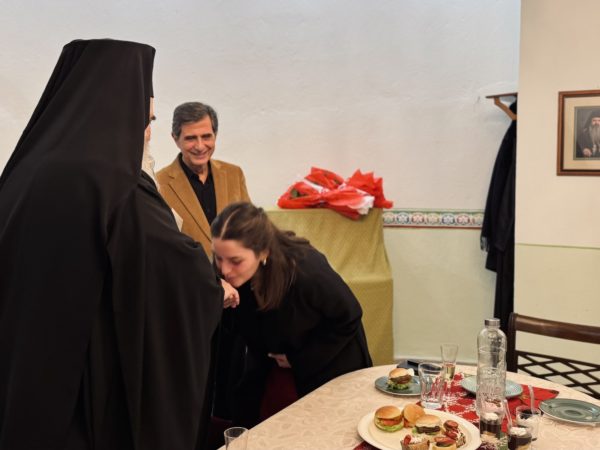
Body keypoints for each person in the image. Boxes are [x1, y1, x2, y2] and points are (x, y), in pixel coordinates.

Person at [0, 39, 224, 450]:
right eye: (146, 117)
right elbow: (178, 272)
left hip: (24, 381)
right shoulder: (117, 187)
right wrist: (213, 285)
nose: (147, 132)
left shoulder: (27, 169)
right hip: (84, 389)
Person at [210, 202, 373, 428]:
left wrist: (299, 359)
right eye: (218, 258)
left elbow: (349, 316)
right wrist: (217, 295)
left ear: (263, 251)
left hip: (330, 362)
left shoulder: (306, 269)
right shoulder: (227, 270)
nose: (225, 270)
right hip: (273, 362)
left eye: (235, 261)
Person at [156, 102, 250, 257]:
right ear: (175, 139)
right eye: (191, 138)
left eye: (206, 136)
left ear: (215, 135)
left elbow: (250, 228)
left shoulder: (234, 174)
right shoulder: (159, 184)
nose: (200, 146)